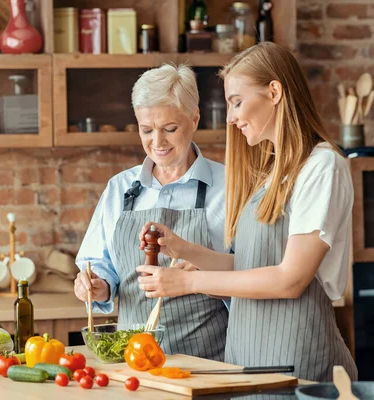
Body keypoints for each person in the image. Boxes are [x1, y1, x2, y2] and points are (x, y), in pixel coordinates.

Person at [137, 42, 357, 381]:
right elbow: (254, 265)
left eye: (237, 102)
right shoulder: (271, 172)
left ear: (274, 92)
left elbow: (291, 279)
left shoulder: (322, 166)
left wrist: (189, 281)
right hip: (247, 359)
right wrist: (181, 248)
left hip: (297, 361)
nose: (230, 118)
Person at [73, 64, 229, 361]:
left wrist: (206, 271)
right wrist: (96, 286)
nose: (157, 142)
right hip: (135, 364)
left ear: (195, 118)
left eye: (170, 129)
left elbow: (253, 271)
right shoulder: (120, 188)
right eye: (147, 130)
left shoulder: (228, 187)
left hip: (208, 364)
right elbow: (99, 264)